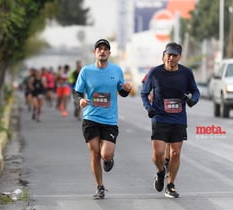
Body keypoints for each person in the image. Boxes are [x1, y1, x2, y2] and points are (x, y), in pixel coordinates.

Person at [73, 39, 131, 199]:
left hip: (109, 120)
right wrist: (80, 100)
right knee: (94, 153)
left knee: (105, 154)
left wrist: (126, 89)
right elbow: (76, 92)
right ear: (95, 52)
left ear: (109, 53)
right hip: (90, 117)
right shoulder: (86, 71)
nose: (102, 51)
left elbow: (122, 91)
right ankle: (100, 187)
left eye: (106, 49)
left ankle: (109, 160)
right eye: (100, 49)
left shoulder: (116, 70)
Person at [141, 42, 200, 198]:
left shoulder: (186, 73)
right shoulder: (155, 73)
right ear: (163, 55)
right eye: (168, 55)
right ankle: (161, 172)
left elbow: (195, 91)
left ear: (179, 57)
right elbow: (143, 92)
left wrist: (193, 100)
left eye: (174, 55)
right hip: (160, 116)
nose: (171, 58)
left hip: (178, 117)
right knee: (158, 153)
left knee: (175, 153)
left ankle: (170, 185)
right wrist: (149, 107)